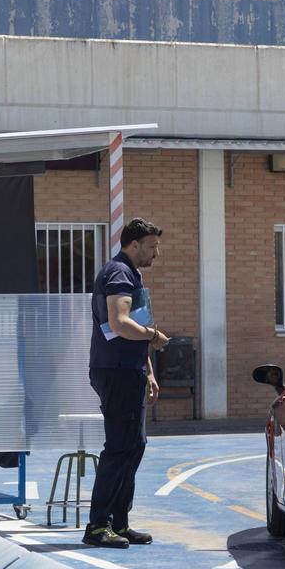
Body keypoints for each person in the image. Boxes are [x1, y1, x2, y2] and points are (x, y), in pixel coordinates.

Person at [83, 218, 169, 549]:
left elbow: (136, 324)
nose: (156, 252)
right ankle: (97, 526)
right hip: (115, 370)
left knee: (135, 445)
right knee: (119, 448)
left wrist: (147, 369)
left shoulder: (132, 275)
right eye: (152, 246)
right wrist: (153, 337)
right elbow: (121, 323)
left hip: (129, 368)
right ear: (134, 244)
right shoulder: (118, 273)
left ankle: (119, 522)